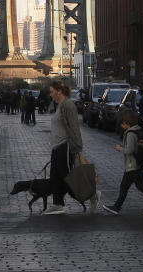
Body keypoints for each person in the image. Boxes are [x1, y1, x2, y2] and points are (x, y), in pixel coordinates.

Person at [44, 80, 97, 214]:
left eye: (51, 92)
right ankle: (57, 204)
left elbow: (74, 127)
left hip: (65, 146)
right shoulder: (60, 105)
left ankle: (92, 195)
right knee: (54, 177)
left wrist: (77, 147)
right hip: (56, 147)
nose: (50, 95)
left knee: (67, 178)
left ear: (59, 91)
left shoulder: (67, 105)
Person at [102, 111, 143, 215]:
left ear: (126, 122)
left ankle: (117, 207)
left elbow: (129, 150)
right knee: (139, 187)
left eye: (122, 124)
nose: (121, 126)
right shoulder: (137, 130)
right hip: (136, 165)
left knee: (127, 186)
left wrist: (120, 148)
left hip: (132, 165)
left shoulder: (130, 133)